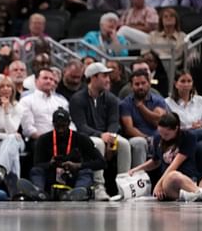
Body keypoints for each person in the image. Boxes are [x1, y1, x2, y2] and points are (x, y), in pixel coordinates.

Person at [69, 62, 130, 200]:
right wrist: (101, 135)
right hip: (86, 137)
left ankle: (125, 185)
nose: (108, 79)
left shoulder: (111, 98)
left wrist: (111, 137)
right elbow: (81, 126)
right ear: (93, 78)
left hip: (107, 135)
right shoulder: (78, 99)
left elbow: (114, 122)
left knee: (124, 144)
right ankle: (98, 186)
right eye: (104, 76)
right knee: (99, 143)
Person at [19, 108, 105, 201]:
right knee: (36, 170)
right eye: (57, 126)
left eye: (63, 126)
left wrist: (78, 165)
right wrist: (50, 164)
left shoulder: (81, 139)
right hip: (52, 175)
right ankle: (38, 191)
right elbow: (37, 163)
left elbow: (102, 163)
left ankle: (78, 193)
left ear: (69, 123)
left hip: (73, 175)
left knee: (86, 171)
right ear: (53, 124)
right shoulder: (44, 139)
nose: (60, 130)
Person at [128, 113, 202, 202]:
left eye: (166, 134)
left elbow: (175, 164)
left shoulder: (188, 137)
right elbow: (155, 161)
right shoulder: (158, 139)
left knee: (176, 174)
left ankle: (194, 195)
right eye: (160, 133)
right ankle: (200, 194)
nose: (163, 137)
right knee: (173, 176)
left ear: (176, 129)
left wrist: (158, 184)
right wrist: (137, 169)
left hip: (188, 179)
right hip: (170, 182)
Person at [119, 69, 168, 167]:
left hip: (158, 137)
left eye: (143, 83)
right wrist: (147, 139)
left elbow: (159, 122)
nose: (140, 87)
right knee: (139, 142)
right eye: (137, 84)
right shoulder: (125, 103)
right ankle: (139, 176)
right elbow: (129, 129)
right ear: (131, 86)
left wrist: (142, 107)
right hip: (137, 138)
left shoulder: (159, 100)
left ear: (149, 83)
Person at [165, 70, 202, 175]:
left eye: (189, 81)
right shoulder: (167, 102)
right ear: (176, 84)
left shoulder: (201, 101)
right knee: (195, 139)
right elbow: (171, 128)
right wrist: (191, 128)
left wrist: (200, 126)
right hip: (180, 139)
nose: (186, 84)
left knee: (201, 146)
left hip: (201, 137)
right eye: (183, 81)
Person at [19, 67, 70, 141]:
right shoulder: (26, 101)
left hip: (62, 139)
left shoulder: (61, 101)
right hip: (40, 140)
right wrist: (49, 138)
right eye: (45, 78)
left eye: (51, 79)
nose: (49, 81)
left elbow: (70, 123)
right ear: (36, 81)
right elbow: (28, 129)